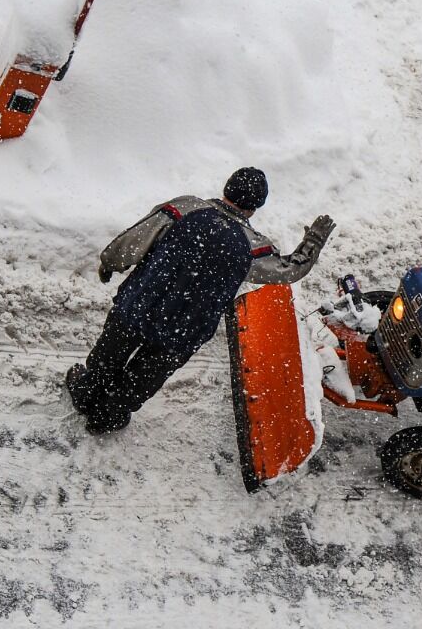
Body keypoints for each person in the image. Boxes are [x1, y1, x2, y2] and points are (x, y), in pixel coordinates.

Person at [66, 167, 336, 433]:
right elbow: (289, 270)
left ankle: (87, 392)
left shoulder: (185, 208)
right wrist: (312, 242)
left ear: (226, 188)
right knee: (144, 377)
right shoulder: (253, 246)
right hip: (184, 329)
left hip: (140, 304)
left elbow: (138, 238)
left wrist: (110, 261)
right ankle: (110, 415)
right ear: (256, 207)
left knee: (108, 356)